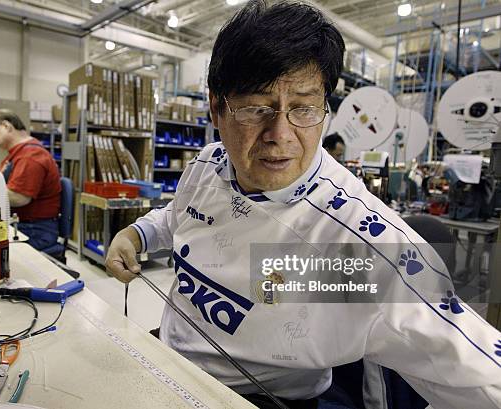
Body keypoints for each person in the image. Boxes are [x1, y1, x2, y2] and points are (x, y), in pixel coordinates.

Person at [106, 2, 501, 409]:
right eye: (256, 108)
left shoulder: (349, 241)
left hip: (256, 396)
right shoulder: (209, 163)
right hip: (168, 355)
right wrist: (138, 234)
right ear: (216, 108)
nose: (280, 134)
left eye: (304, 108)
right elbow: (178, 216)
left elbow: (475, 367)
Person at [0, 109, 61, 251]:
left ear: (7, 127)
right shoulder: (17, 154)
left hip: (35, 230)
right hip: (24, 224)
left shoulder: (30, 156)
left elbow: (19, 198)